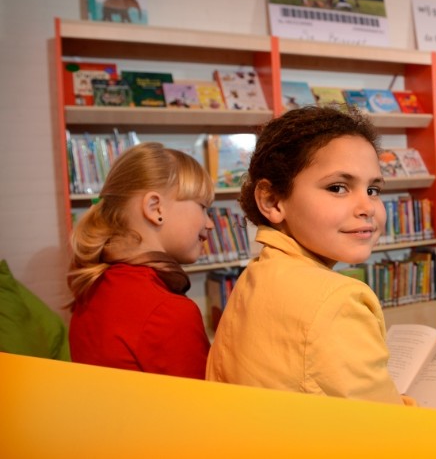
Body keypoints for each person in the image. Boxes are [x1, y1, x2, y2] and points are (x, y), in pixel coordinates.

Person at [206, 106, 413, 406]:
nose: (367, 207)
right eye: (338, 187)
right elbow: (391, 432)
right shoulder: (336, 302)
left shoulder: (259, 272)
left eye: (372, 189)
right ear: (272, 200)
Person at [68, 142, 214, 379]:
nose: (210, 223)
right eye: (203, 207)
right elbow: (203, 408)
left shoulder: (92, 287)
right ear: (155, 208)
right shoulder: (169, 312)